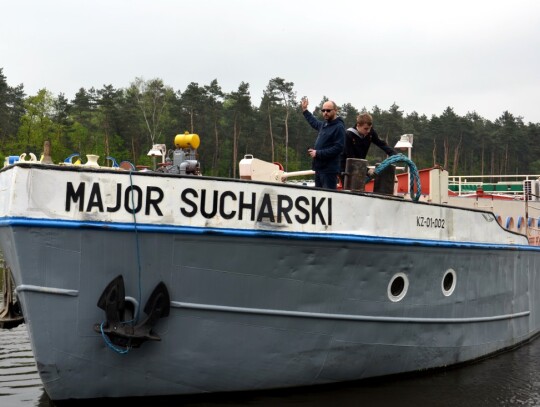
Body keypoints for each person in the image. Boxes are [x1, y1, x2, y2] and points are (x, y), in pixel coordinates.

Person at [301, 98, 345, 189]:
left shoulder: (339, 127)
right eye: (323, 110)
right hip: (319, 168)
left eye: (328, 110)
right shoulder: (324, 125)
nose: (325, 112)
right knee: (319, 197)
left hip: (329, 171)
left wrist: (318, 153)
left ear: (335, 111)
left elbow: (338, 148)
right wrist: (305, 110)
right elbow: (314, 122)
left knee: (328, 197)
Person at [340, 112, 397, 177]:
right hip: (346, 167)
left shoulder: (370, 132)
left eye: (370, 128)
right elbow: (351, 157)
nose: (368, 131)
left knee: (360, 186)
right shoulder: (348, 135)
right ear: (358, 125)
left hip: (360, 164)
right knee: (351, 186)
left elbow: (381, 144)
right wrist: (367, 170)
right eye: (366, 128)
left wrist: (394, 154)